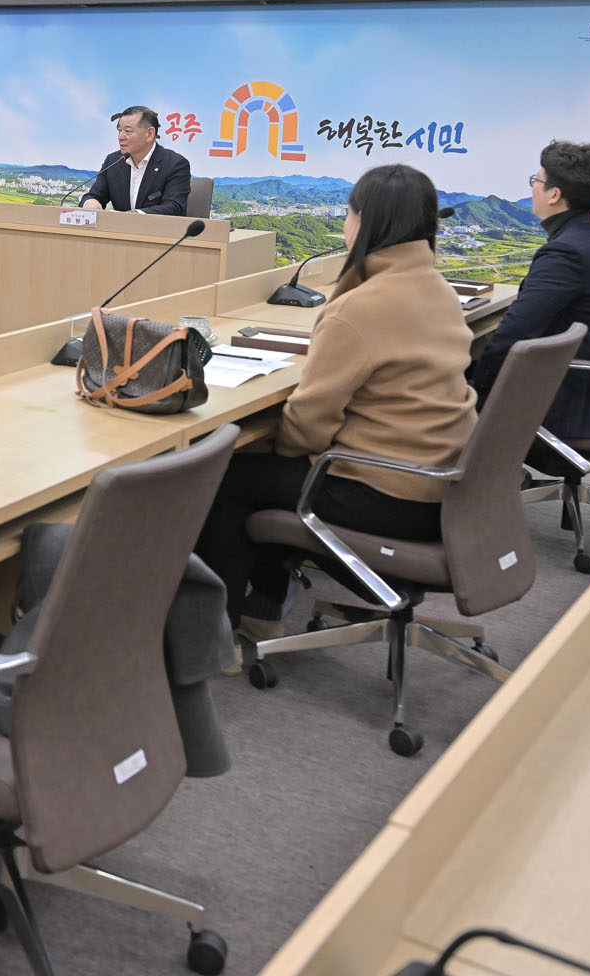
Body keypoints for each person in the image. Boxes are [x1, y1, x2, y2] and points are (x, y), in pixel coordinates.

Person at [195, 163, 477, 632]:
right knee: (272, 472)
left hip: (387, 493)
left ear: (364, 221)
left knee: (226, 476)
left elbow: (310, 423)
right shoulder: (439, 291)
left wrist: (274, 446)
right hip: (444, 485)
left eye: (349, 213)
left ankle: (213, 637)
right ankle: (264, 608)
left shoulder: (360, 306)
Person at [470, 141, 590, 443]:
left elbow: (512, 334)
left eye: (536, 180)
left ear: (554, 194)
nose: (533, 187)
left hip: (571, 400)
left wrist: (476, 394)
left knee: (445, 386)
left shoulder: (566, 252)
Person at [80, 105, 192, 215]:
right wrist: (91, 202)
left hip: (156, 227)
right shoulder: (113, 161)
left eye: (128, 131)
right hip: (119, 227)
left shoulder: (175, 164)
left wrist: (135, 215)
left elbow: (174, 207)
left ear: (149, 134)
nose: (120, 137)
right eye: (119, 131)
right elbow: (95, 195)